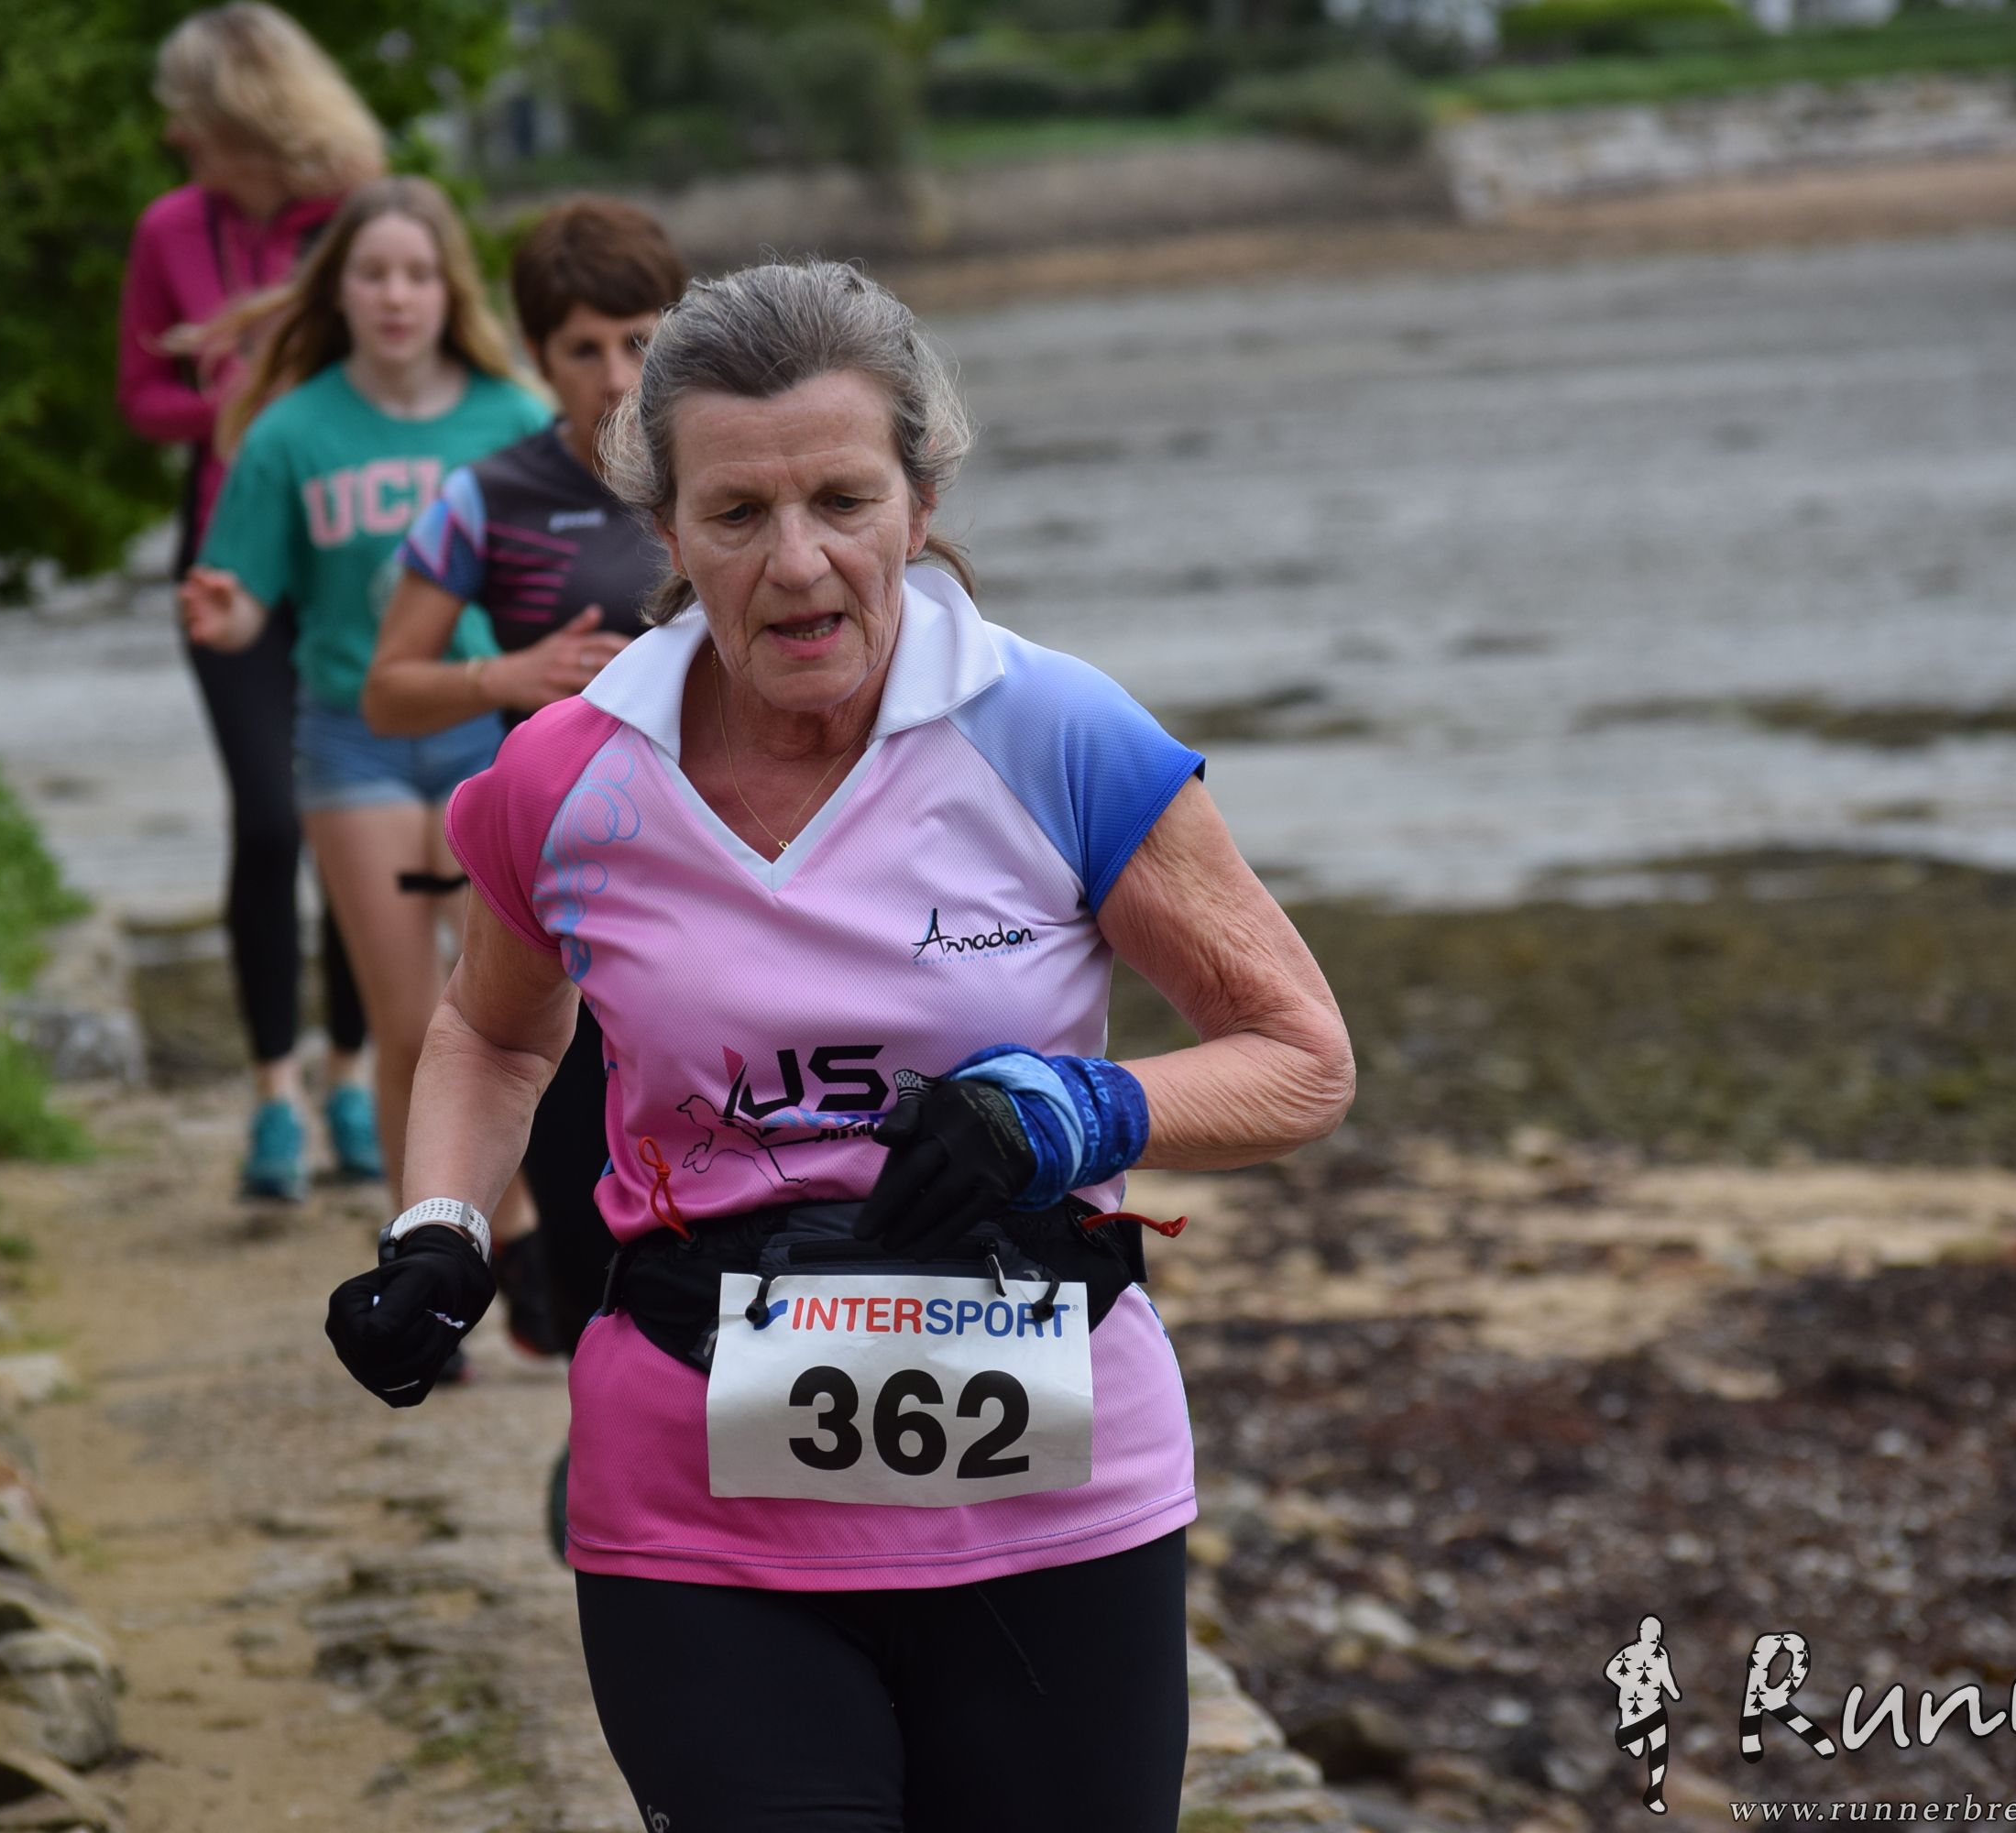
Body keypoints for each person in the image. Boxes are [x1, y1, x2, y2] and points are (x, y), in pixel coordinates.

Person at [325, 261, 1356, 1830]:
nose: (796, 562)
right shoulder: (566, 778)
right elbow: (489, 1033)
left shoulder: (1056, 735)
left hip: (1047, 1496)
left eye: (842, 501)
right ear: (667, 532)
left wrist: (1072, 1113)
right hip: (698, 1502)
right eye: (737, 514)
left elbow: (1298, 1058)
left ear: (919, 504)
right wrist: (440, 1230)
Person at [364, 198, 686, 1392]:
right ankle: (600, 1432)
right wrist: (507, 676)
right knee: (583, 1187)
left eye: (641, 341)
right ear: (538, 358)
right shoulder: (486, 498)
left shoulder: (729, 474)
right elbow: (387, 690)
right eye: (583, 349)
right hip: (565, 890)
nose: (618, 376)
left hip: (722, 878)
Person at [179, 178, 553, 1201]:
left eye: (418, 274)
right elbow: (248, 602)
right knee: (411, 1026)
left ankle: (524, 1242)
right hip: (353, 743)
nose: (396, 295)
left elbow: (570, 564)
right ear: (337, 290)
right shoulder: (290, 434)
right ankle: (427, 1251)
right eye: (374, 273)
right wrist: (224, 614)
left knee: (514, 1021)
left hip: (488, 738)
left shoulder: (515, 418)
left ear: (449, 291)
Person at [119, 3, 387, 1200]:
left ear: (248, 116)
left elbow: (417, 366)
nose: (175, 135)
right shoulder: (170, 228)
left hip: (353, 555)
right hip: (230, 553)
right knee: (270, 820)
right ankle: (273, 1096)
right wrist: (231, 407)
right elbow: (142, 394)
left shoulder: (363, 217)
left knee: (356, 819)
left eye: (192, 115)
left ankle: (351, 1077)